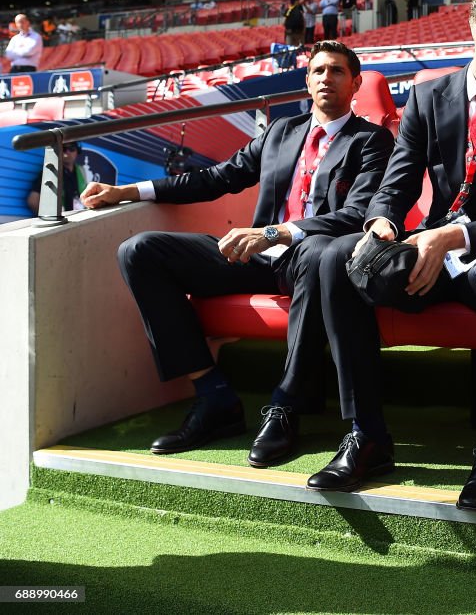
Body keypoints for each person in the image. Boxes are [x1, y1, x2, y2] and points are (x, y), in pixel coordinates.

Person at [308, 0, 476, 512]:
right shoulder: (430, 96)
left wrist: (454, 234)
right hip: (430, 256)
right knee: (337, 255)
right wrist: (382, 222)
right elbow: (398, 182)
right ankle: (367, 436)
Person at [79, 41, 395, 468]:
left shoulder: (371, 141)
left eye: (337, 71)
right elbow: (216, 178)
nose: (326, 78)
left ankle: (284, 409)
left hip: (310, 256)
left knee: (319, 251)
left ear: (355, 83)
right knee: (140, 251)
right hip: (258, 258)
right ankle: (213, 396)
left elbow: (357, 215)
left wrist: (274, 232)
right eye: (318, 70)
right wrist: (129, 191)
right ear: (306, 80)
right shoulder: (281, 132)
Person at [26, 141, 88, 214]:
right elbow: (33, 201)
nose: (67, 152)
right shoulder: (50, 171)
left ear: (77, 151)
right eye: (64, 149)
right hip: (63, 221)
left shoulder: (81, 170)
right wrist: (52, 217)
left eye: (71, 148)